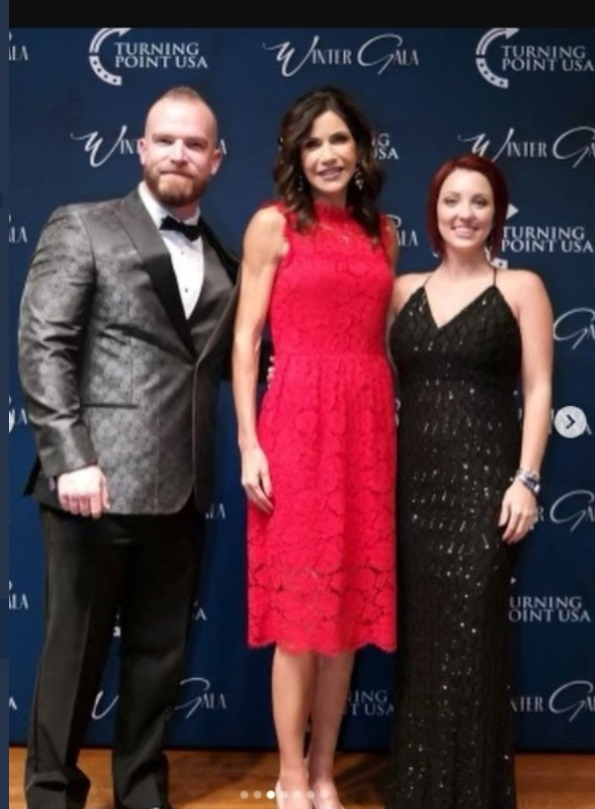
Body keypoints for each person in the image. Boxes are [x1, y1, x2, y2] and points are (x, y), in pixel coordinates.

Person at [17, 85, 240, 809]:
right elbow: (44, 344)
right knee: (72, 654)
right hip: (94, 482)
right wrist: (70, 456)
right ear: (141, 148)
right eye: (165, 140)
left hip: (184, 486)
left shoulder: (226, 258)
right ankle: (51, 793)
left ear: (216, 159)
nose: (178, 153)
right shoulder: (82, 224)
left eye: (194, 143)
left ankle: (141, 790)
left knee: (159, 656)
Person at [231, 86, 399, 809]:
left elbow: (382, 339)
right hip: (295, 424)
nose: (327, 154)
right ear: (295, 155)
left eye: (339, 139)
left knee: (345, 622)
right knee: (300, 622)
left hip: (366, 429)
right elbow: (245, 342)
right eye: (313, 143)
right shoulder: (272, 225)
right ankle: (291, 774)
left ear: (360, 149)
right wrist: (249, 443)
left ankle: (325, 770)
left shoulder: (382, 232)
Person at [384, 153, 554, 808]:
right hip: (411, 488)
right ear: (434, 211)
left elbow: (538, 390)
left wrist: (525, 480)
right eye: (452, 200)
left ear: (497, 213)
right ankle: (418, 791)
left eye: (479, 201)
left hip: (487, 488)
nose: (465, 213)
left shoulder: (522, 288)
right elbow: (366, 376)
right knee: (423, 642)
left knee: (474, 640)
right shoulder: (400, 289)